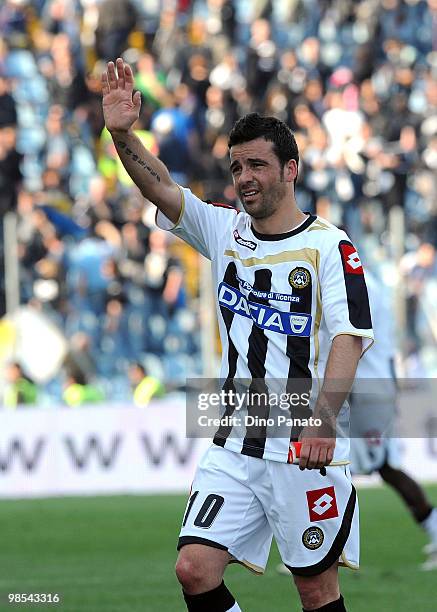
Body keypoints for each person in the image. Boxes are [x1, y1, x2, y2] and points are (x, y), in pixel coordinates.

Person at [101, 58, 374, 612]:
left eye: (257, 165)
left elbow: (349, 335)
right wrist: (122, 133)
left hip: (301, 445)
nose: (244, 177)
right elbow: (161, 189)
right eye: (236, 166)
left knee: (315, 590)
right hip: (233, 441)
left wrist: (323, 417)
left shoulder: (329, 246)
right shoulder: (224, 231)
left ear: (291, 169)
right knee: (193, 569)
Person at [349, 272, 437, 572]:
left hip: (368, 389)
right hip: (369, 385)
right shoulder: (365, 280)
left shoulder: (357, 283)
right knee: (381, 468)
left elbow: (350, 338)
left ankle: (325, 547)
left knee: (383, 467)